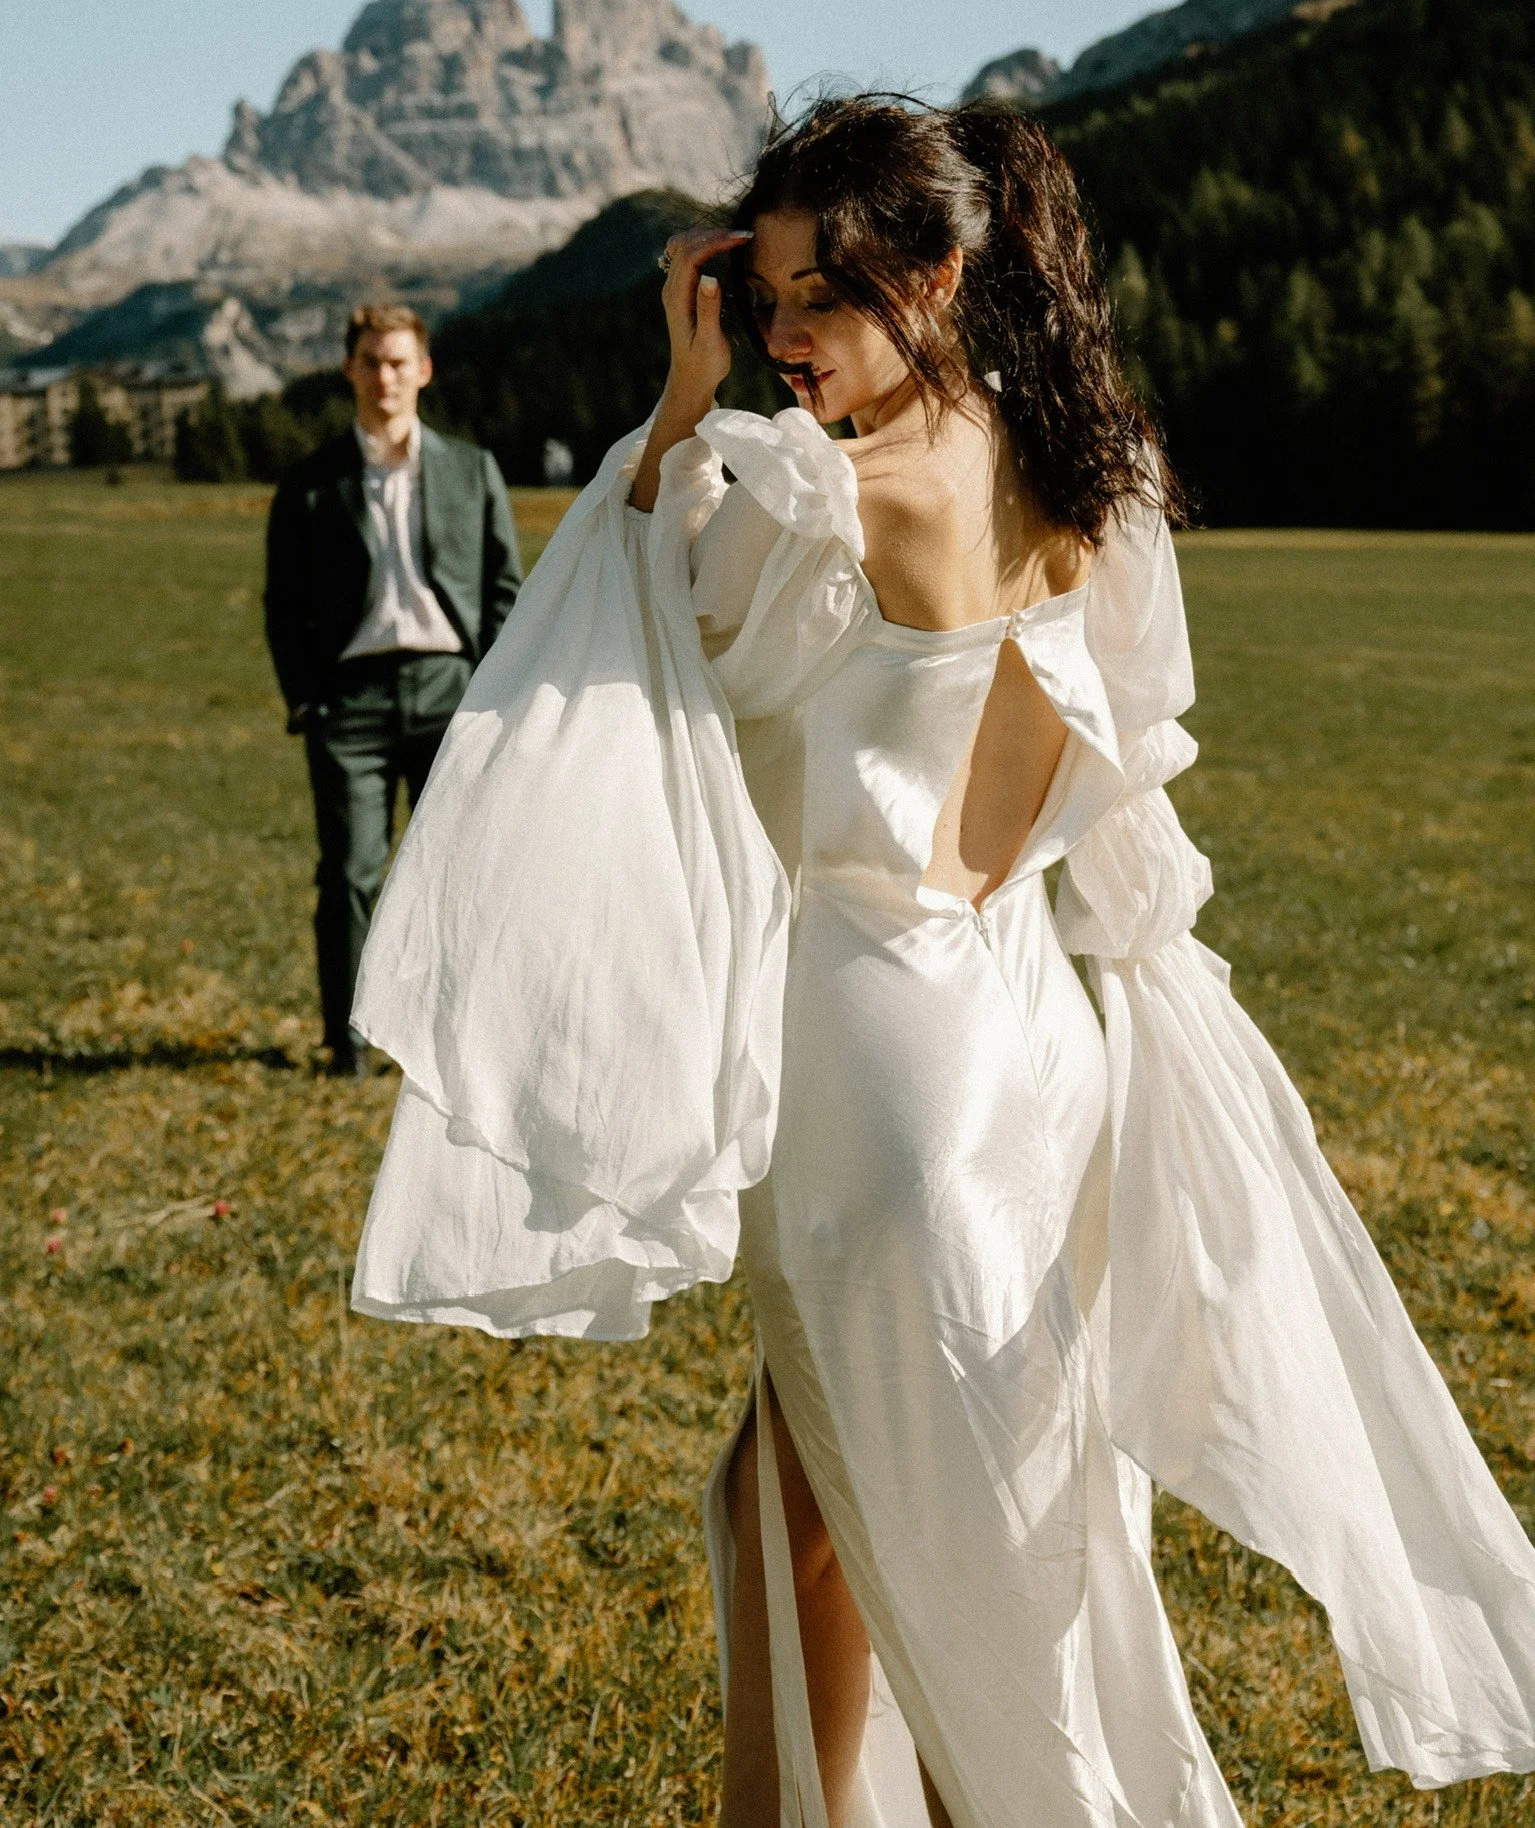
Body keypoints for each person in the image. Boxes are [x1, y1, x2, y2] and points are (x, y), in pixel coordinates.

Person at [345, 102, 1535, 1825]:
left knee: (897, 1529)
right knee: (863, 1485)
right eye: (763, 296)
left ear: (944, 271)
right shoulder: (1084, 465)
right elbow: (1121, 746)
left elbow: (627, 624)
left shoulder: (820, 486)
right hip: (1030, 1030)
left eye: (823, 290)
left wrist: (679, 415)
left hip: (874, 1060)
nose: (784, 336)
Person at [263, 302, 522, 1075]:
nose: (385, 376)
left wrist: (499, 690)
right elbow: (283, 603)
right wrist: (308, 699)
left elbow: (503, 587)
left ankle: (453, 1042)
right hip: (352, 702)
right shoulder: (311, 484)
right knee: (349, 871)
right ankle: (345, 1044)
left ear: (424, 370)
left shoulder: (471, 470)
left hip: (453, 689)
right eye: (371, 361)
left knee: (458, 871)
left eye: (399, 361)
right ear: (349, 369)